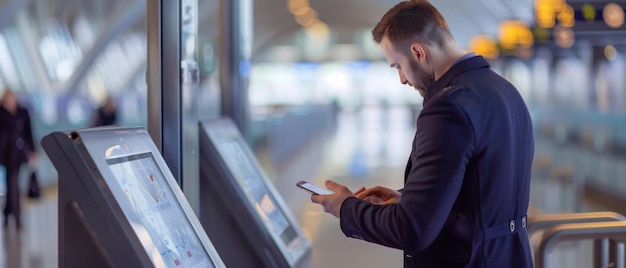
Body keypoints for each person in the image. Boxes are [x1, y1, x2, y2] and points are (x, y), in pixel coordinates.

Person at [309, 1, 534, 267]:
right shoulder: (506, 91)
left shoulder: (447, 107)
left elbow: (413, 229)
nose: (402, 79)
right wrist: (409, 198)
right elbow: (483, 199)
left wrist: (345, 207)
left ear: (417, 52)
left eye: (397, 66)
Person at [0, 89, 36, 230]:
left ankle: (9, 214)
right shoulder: (1, 113)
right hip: (5, 154)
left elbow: (29, 133)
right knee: (12, 184)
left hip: (19, 154)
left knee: (12, 184)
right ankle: (15, 215)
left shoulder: (23, 113)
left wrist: (33, 151)